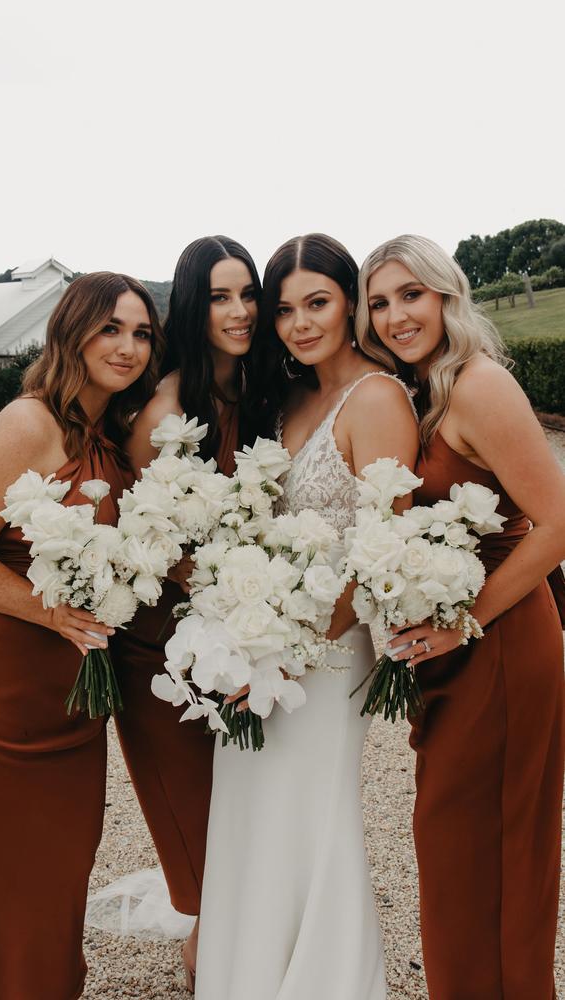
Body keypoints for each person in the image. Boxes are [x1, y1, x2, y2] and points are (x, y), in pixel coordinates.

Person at [0, 272, 163, 1000]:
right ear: (71, 332)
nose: (128, 346)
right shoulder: (28, 422)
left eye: (142, 332)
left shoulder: (108, 430)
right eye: (110, 328)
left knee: (51, 879)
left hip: (66, 700)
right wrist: (54, 613)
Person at [194, 233, 419, 1000]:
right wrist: (240, 635)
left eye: (317, 303)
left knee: (309, 813)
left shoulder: (380, 398)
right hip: (262, 644)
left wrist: (290, 650)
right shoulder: (287, 398)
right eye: (285, 308)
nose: (298, 323)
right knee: (249, 807)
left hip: (326, 652)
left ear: (350, 302)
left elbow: (377, 549)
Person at [357, 233, 565, 1000]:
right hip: (454, 645)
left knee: (496, 857)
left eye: (410, 294)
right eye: (378, 302)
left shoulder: (478, 385)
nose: (395, 315)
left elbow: (557, 522)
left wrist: (461, 621)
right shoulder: (417, 389)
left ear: (447, 294)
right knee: (453, 851)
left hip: (501, 641)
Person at [110, 236, 263, 991]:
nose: (238, 312)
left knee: (246, 828)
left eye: (247, 294)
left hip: (248, 645)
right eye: (217, 297)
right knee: (197, 845)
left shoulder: (265, 392)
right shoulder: (164, 412)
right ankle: (208, 970)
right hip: (163, 655)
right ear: (191, 306)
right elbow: (155, 546)